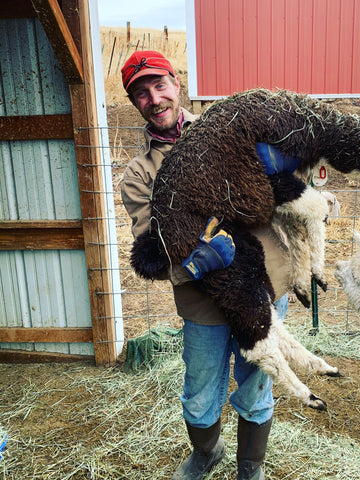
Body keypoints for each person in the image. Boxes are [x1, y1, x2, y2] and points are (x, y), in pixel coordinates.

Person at [120, 50, 292, 480]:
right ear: (134, 103)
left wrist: (309, 200)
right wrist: (195, 259)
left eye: (159, 85)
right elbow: (153, 240)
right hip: (203, 301)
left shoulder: (227, 131)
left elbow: (273, 183)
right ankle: (206, 454)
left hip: (261, 288)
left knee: (256, 385)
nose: (154, 98)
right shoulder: (139, 174)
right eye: (141, 93)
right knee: (198, 394)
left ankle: (249, 469)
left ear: (176, 84)